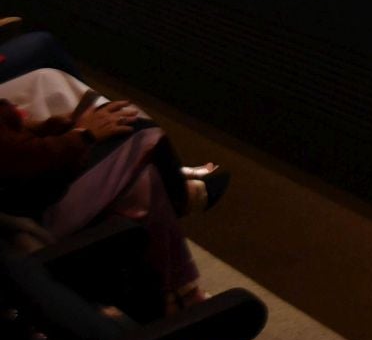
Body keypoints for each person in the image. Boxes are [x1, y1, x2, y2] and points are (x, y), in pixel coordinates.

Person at [1, 70, 229, 314]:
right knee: (142, 132)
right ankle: (181, 198)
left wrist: (48, 127)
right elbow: (22, 160)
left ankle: (177, 295)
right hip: (27, 216)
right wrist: (83, 135)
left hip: (25, 194)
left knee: (144, 179)